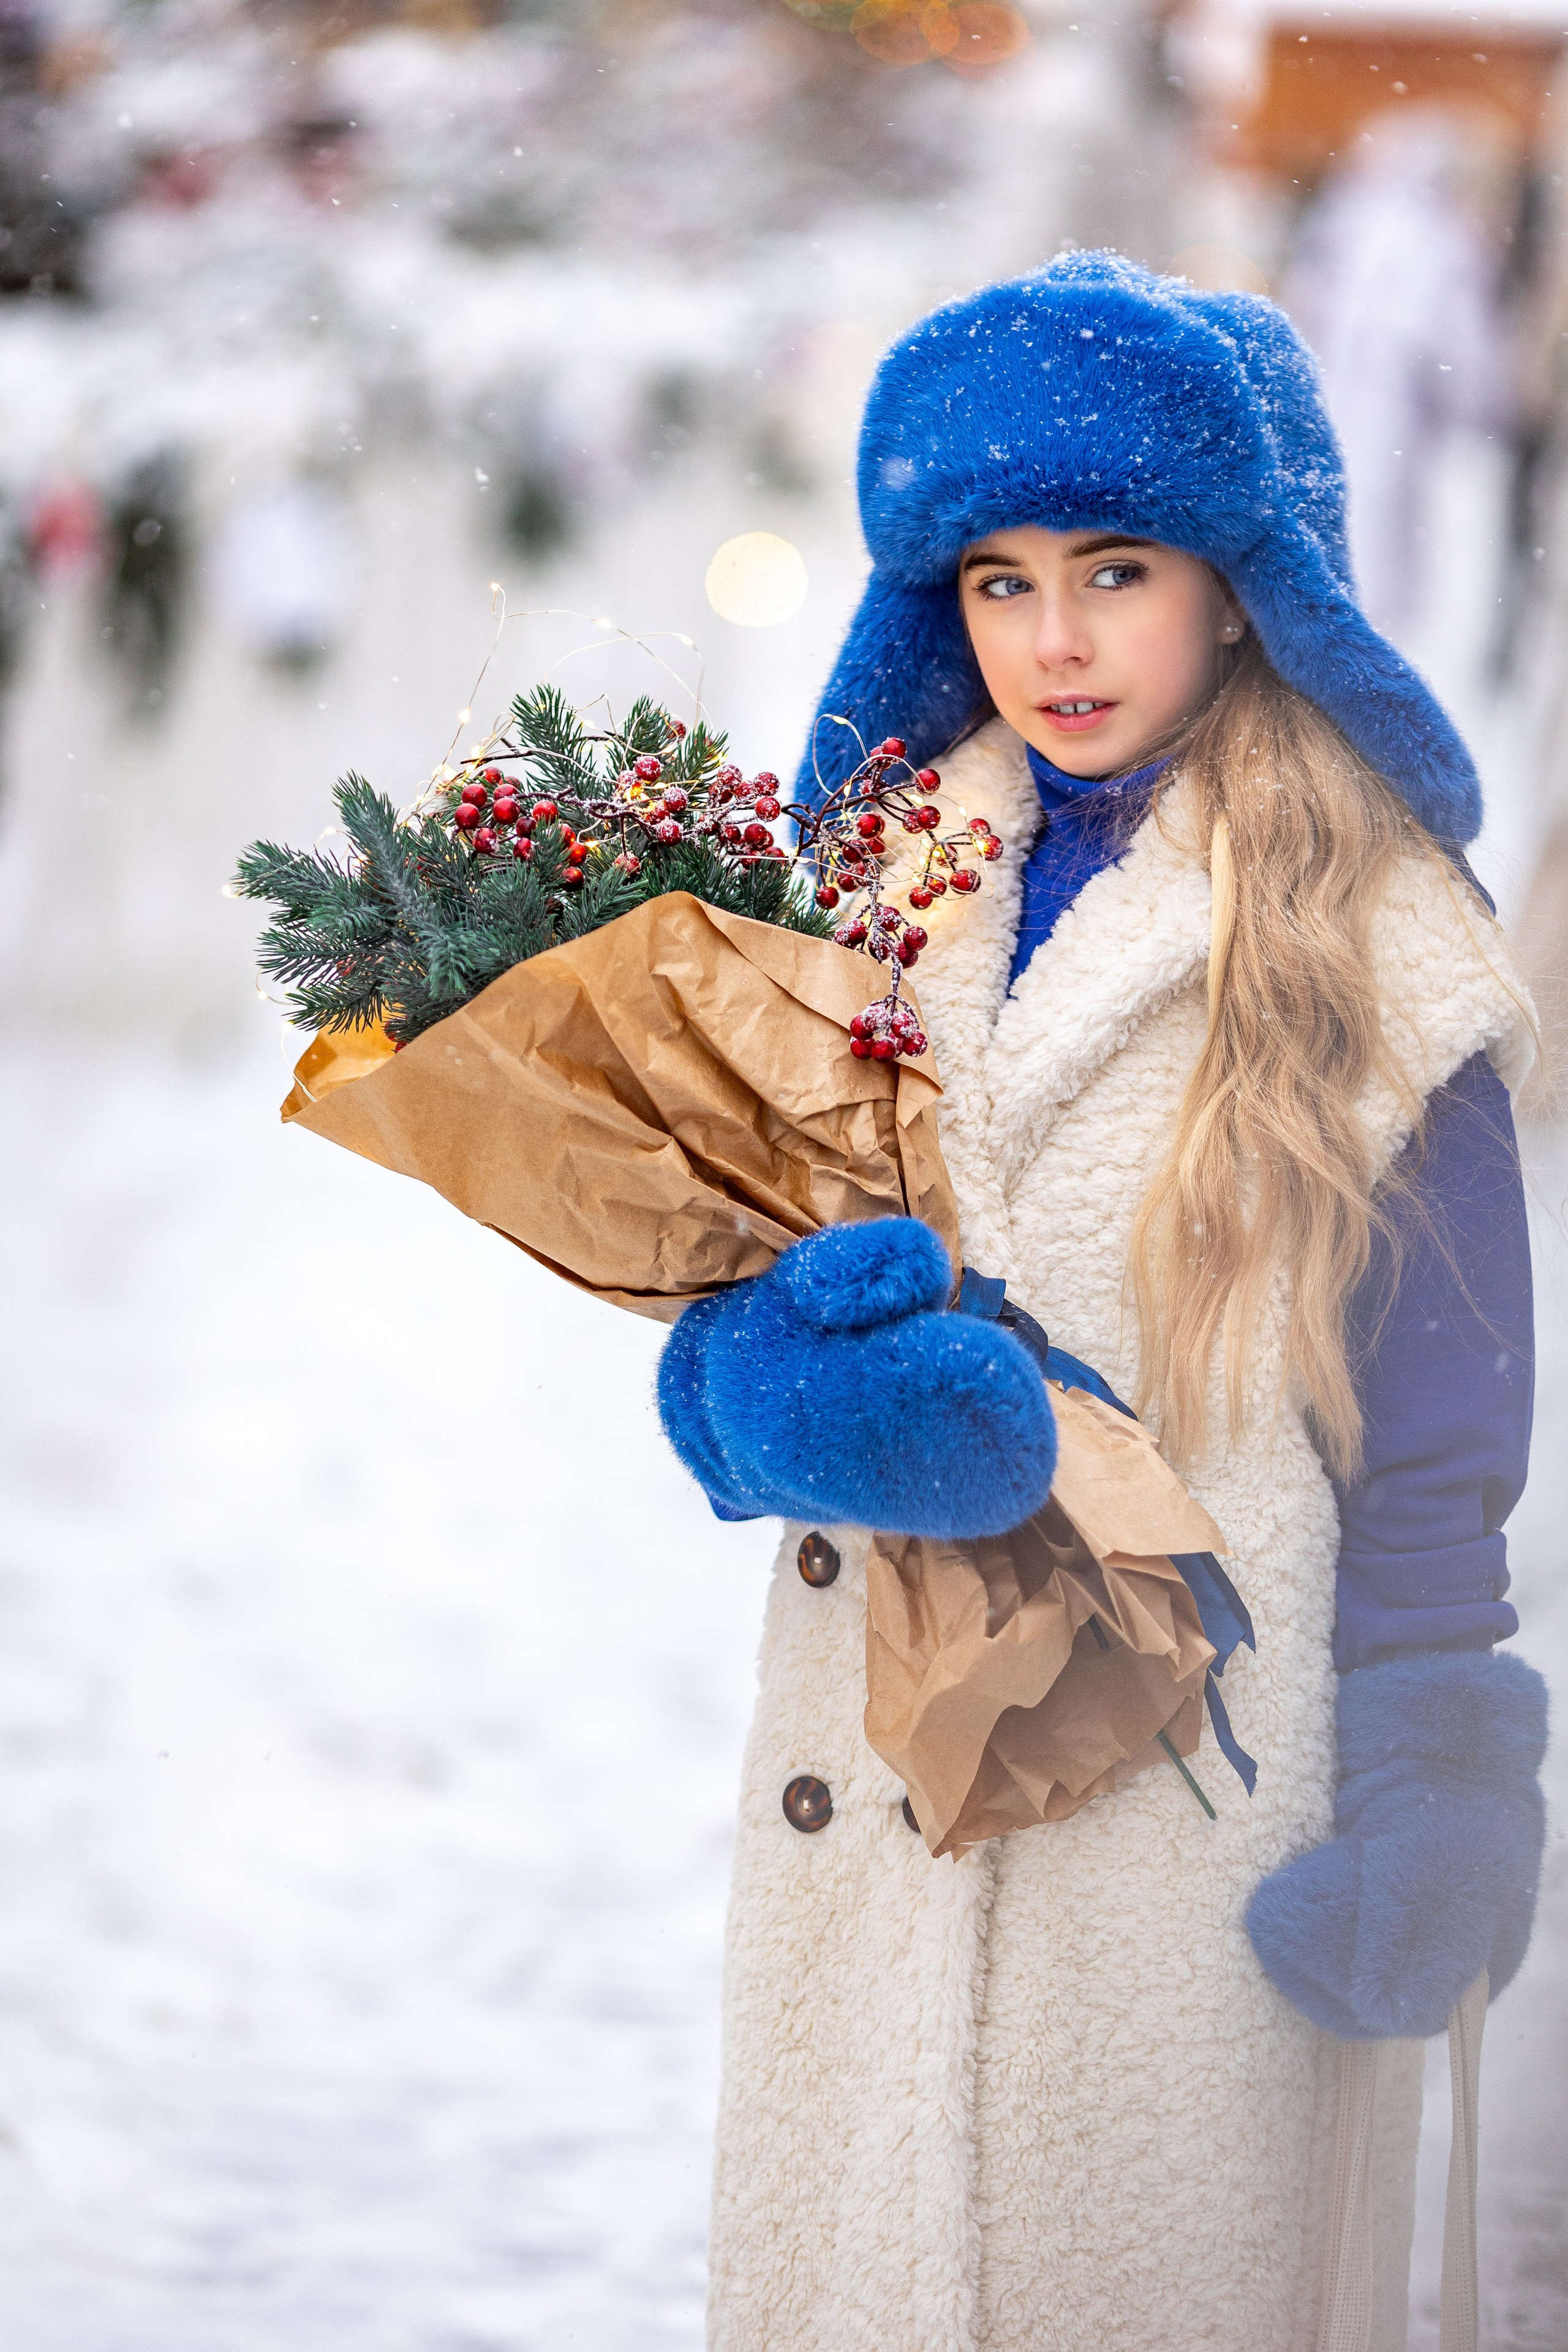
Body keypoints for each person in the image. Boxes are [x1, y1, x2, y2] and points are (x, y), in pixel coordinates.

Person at [657, 252, 1548, 2352]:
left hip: (1195, 1827)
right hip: (886, 1805)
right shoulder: (871, 914)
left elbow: (1442, 1437)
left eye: (1118, 568)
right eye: (998, 577)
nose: (1052, 641)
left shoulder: (1383, 959)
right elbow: (728, 1301)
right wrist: (771, 1400)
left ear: (1242, 583)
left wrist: (1446, 1780)